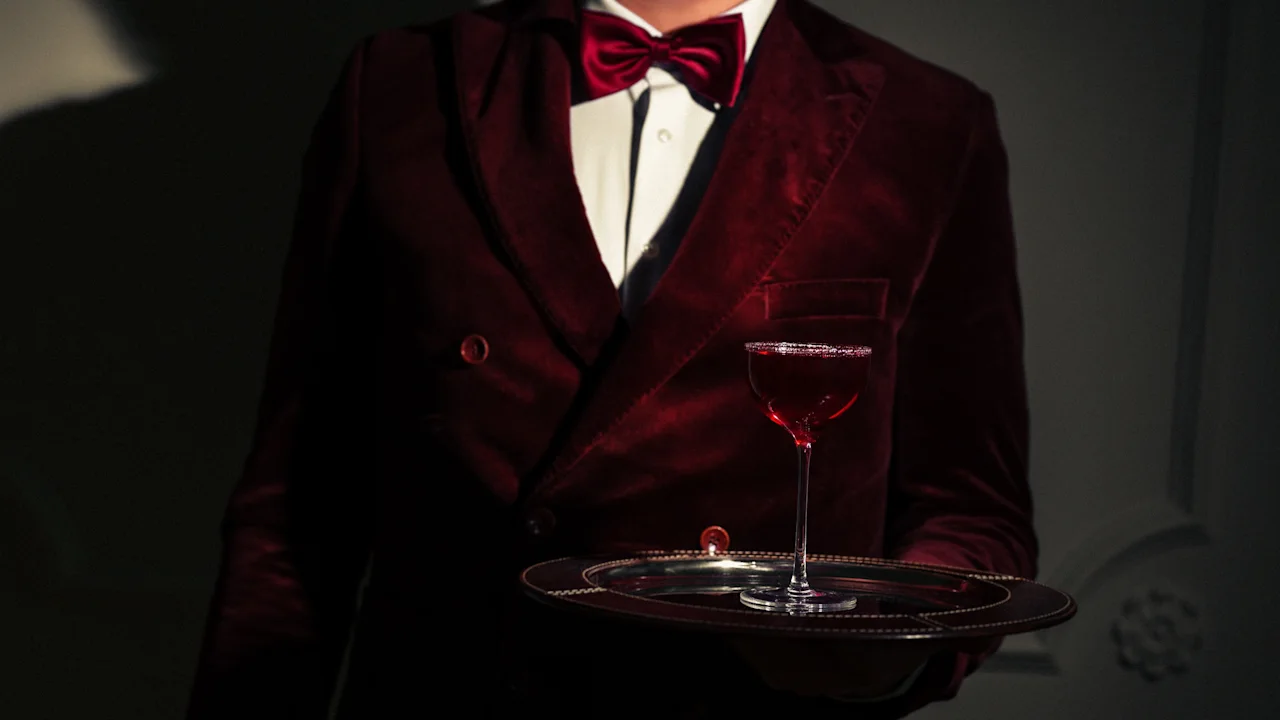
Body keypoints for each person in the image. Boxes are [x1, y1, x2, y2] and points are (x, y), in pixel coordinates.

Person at [186, 0, 1037, 717]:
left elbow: (973, 508)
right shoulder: (402, 82)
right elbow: (300, 500)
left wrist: (887, 648)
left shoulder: (928, 122)